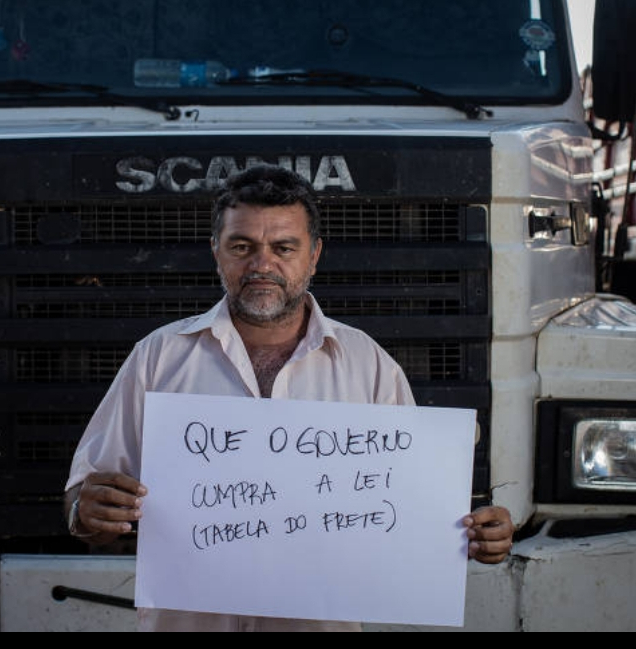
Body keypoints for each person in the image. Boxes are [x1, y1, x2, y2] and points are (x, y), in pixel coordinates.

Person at [64, 164, 514, 631]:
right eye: (242, 247)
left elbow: (415, 511)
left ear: (314, 255)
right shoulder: (157, 358)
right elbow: (84, 497)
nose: (262, 265)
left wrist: (477, 536)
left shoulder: (368, 365)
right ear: (216, 252)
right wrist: (86, 512)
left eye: (284, 248)